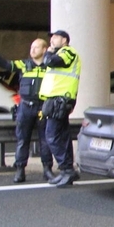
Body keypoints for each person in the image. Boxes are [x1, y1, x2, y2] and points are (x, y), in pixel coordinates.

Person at [0, 39, 55, 183]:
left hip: (43, 107)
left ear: (44, 50)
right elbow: (6, 65)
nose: (32, 50)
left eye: (36, 47)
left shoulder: (50, 67)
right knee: (22, 140)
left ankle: (47, 170)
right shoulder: (24, 64)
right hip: (25, 106)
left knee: (45, 140)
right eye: (31, 47)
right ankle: (20, 170)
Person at [40, 30, 82, 187]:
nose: (52, 39)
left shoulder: (68, 52)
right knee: (63, 136)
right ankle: (67, 171)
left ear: (64, 40)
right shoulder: (60, 53)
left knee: (52, 135)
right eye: (51, 37)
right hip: (56, 100)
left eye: (55, 37)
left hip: (60, 100)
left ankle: (66, 169)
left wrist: (48, 53)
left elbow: (51, 62)